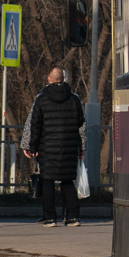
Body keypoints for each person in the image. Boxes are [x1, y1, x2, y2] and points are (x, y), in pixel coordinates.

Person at [23, 67, 85, 227]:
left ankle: (50, 217)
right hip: (69, 146)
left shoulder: (42, 99)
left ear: (49, 80)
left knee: (48, 180)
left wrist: (33, 146)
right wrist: (81, 147)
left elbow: (35, 124)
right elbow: (80, 123)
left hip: (47, 147)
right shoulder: (74, 99)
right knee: (68, 180)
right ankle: (73, 217)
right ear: (63, 79)